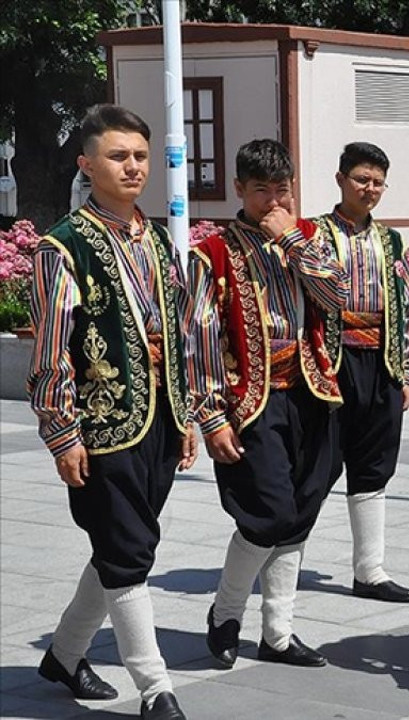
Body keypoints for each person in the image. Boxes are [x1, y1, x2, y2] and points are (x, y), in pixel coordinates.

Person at [28, 104, 194, 720]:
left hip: (159, 418)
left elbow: (179, 332)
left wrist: (186, 413)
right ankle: (156, 689)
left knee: (123, 542)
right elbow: (50, 347)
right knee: (127, 551)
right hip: (102, 424)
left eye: (141, 156)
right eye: (118, 156)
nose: (133, 167)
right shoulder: (63, 246)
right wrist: (62, 432)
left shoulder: (157, 239)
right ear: (87, 164)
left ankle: (64, 654)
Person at [190, 138, 349, 670]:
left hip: (311, 394)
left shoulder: (310, 240)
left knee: (299, 515)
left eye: (282, 190)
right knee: (267, 515)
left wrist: (293, 244)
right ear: (239, 189)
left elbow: (338, 298)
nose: (274, 202)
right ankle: (226, 614)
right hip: (251, 402)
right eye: (262, 191)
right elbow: (199, 342)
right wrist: (211, 418)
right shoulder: (213, 253)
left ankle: (278, 633)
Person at [313, 142, 409, 603]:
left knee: (375, 465)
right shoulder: (315, 234)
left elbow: (406, 307)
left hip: (381, 364)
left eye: (378, 182)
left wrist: (405, 371)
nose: (369, 189)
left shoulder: (390, 240)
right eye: (361, 179)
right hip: (333, 366)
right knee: (319, 465)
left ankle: (369, 570)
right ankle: (285, 553)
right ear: (341, 180)